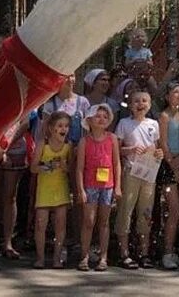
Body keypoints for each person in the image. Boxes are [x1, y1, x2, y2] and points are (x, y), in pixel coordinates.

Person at [115, 90, 162, 269]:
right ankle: (124, 253)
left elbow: (156, 148)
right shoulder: (124, 123)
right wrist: (131, 149)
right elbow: (118, 149)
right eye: (136, 101)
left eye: (144, 100)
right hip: (131, 172)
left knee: (146, 211)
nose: (140, 104)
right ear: (130, 105)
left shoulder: (153, 124)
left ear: (149, 104)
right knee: (126, 210)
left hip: (148, 173)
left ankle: (144, 253)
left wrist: (158, 153)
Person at [74, 103, 120, 271]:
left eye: (105, 116)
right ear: (90, 120)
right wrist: (81, 190)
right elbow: (79, 168)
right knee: (89, 221)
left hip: (107, 186)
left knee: (104, 222)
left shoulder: (112, 138)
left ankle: (103, 257)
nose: (101, 119)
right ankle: (84, 255)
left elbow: (116, 164)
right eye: (98, 116)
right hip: (90, 185)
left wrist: (118, 187)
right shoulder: (84, 141)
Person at [31, 110, 74, 269]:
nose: (64, 129)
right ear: (51, 128)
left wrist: (65, 167)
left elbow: (71, 168)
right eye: (60, 125)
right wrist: (47, 166)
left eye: (66, 126)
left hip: (60, 189)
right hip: (44, 189)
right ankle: (40, 258)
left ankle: (56, 259)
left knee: (60, 225)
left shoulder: (69, 146)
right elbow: (33, 168)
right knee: (41, 224)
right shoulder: (43, 144)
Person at [157, 81, 179, 269]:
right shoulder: (164, 116)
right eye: (175, 92)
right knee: (174, 210)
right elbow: (164, 144)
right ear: (167, 96)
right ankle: (167, 252)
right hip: (169, 167)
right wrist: (174, 168)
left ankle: (174, 249)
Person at [0, 117, 29, 260]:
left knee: (10, 196)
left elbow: (25, 123)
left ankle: (8, 243)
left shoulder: (23, 95)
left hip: (15, 147)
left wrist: (6, 145)